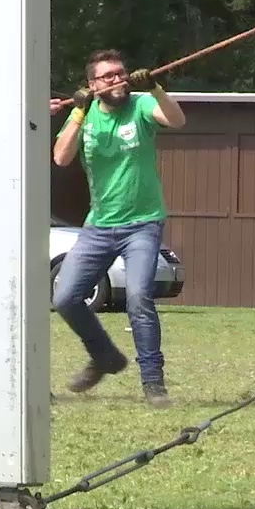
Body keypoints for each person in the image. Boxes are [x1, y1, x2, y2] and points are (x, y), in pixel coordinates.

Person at [52, 49, 186, 408]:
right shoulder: (85, 113)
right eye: (108, 75)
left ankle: (153, 384)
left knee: (139, 297)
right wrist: (78, 111)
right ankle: (105, 357)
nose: (117, 79)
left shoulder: (140, 105)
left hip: (143, 223)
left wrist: (156, 88)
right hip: (98, 226)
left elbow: (176, 120)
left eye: (121, 73)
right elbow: (61, 157)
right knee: (64, 298)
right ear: (93, 84)